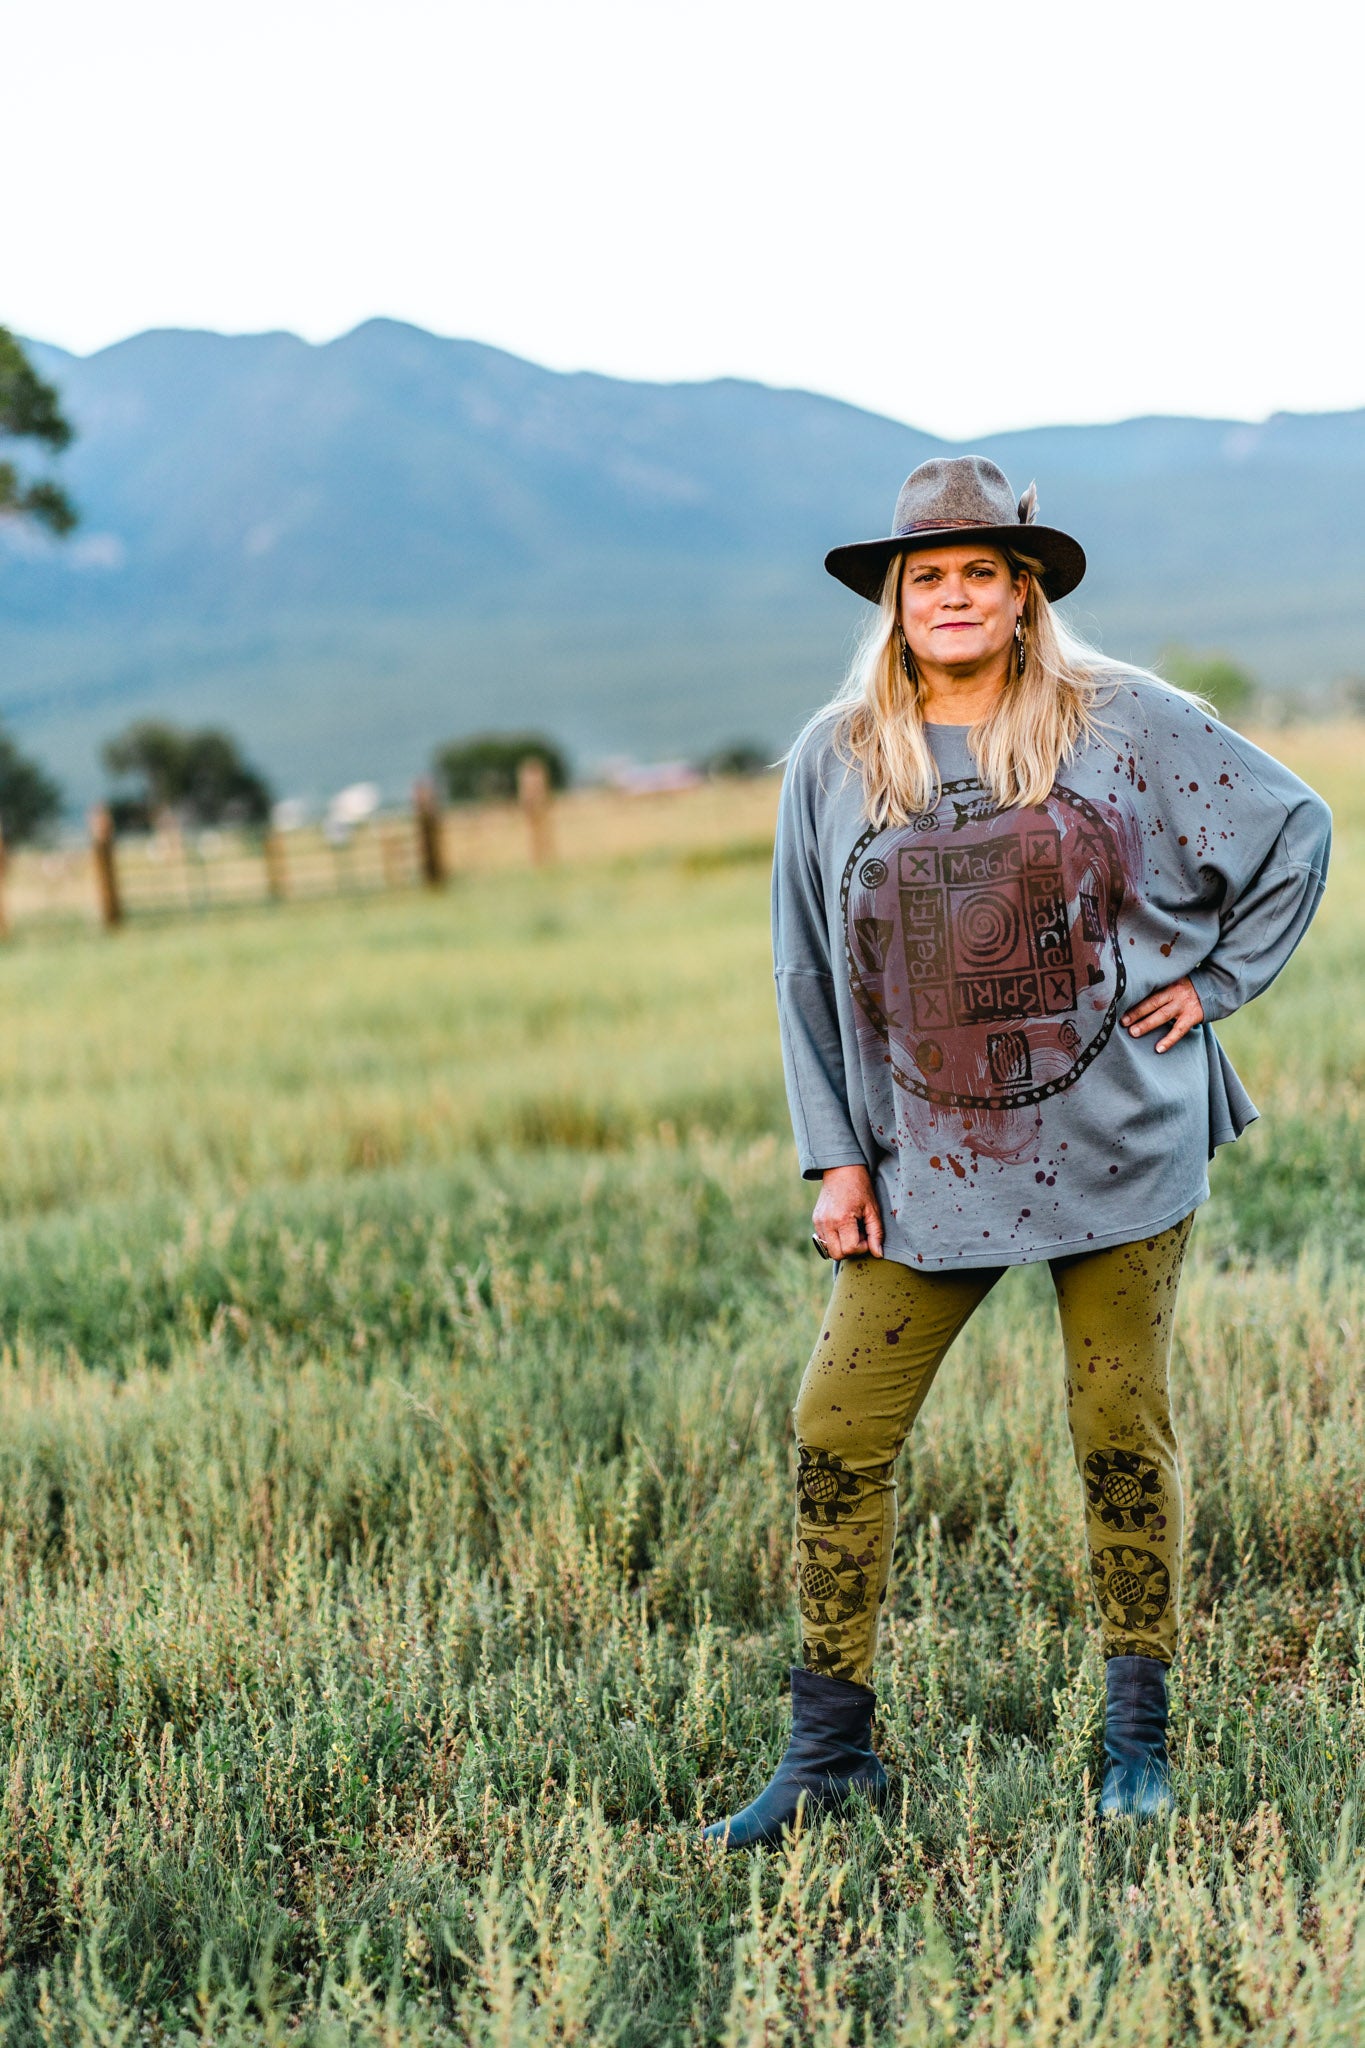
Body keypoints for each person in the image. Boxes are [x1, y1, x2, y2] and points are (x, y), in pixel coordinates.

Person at [702, 455, 1331, 1849]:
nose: (953, 596)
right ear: (894, 598)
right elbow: (803, 969)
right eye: (927, 575)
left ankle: (1135, 1743)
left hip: (1117, 1145)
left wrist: (1215, 985)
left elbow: (1294, 828)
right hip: (923, 1166)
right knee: (837, 1429)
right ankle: (828, 1756)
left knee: (1118, 1431)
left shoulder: (1121, 722)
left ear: (1023, 593)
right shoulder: (836, 756)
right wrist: (837, 1159)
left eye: (980, 572)